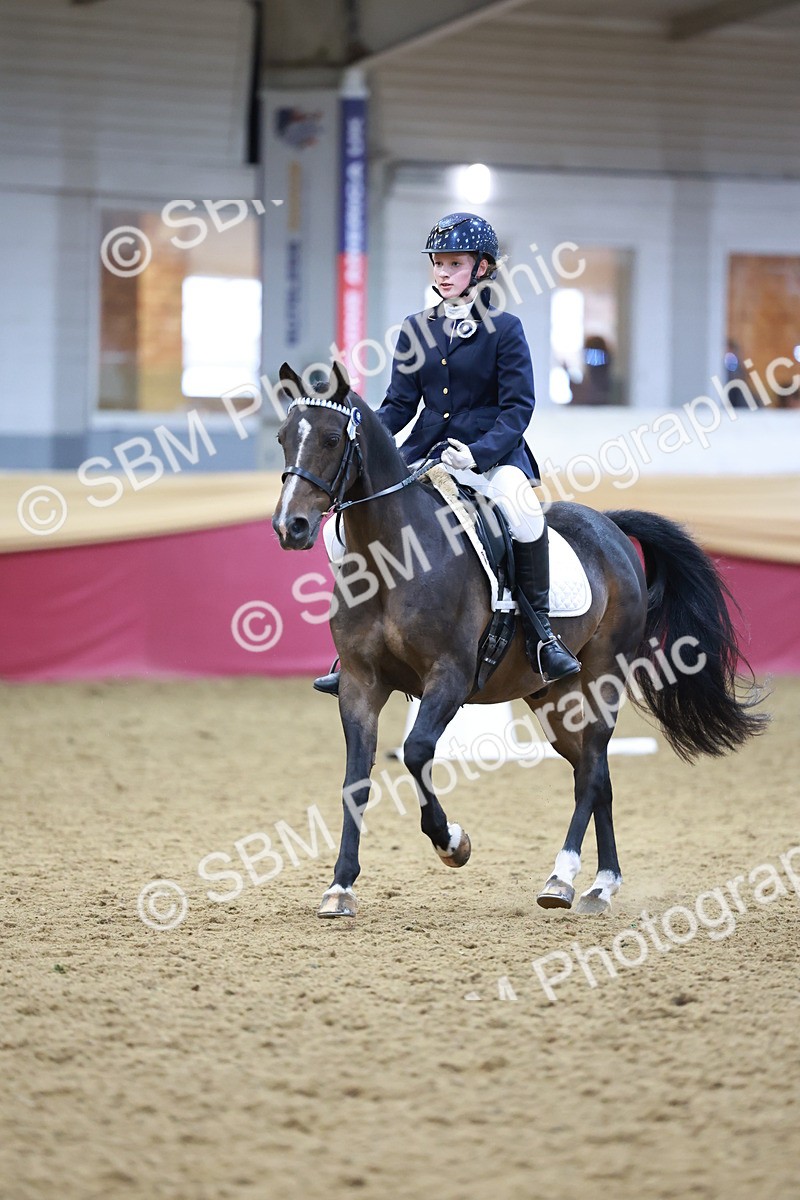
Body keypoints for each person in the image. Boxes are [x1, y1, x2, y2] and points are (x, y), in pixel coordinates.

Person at [314, 211, 580, 695]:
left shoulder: (506, 329)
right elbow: (399, 405)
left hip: (491, 457)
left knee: (524, 517)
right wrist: (362, 433)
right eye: (437, 263)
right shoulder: (415, 329)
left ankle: (543, 635)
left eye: (454, 263)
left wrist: (476, 454)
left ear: (482, 267)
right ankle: (354, 642)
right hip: (425, 454)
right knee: (339, 530)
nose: (442, 272)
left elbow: (517, 409)